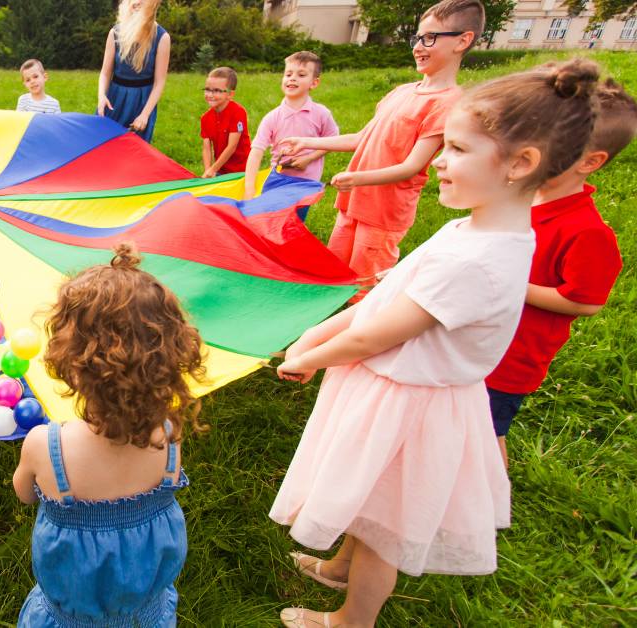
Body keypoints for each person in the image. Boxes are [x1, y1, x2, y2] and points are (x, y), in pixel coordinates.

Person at [270, 59, 601, 628]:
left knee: (383, 531)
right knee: (365, 500)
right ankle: (341, 565)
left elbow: (380, 330)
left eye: (457, 150)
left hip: (409, 408)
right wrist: (322, 331)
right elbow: (387, 293)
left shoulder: (478, 259)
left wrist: (311, 356)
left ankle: (352, 618)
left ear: (521, 163)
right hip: (395, 392)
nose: (439, 162)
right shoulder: (475, 228)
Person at [12, 242, 206, 626]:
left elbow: (22, 494)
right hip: (143, 614)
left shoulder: (47, 446)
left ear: (71, 364)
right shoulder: (168, 437)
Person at [277, 0, 483, 298]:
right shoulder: (401, 92)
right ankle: (326, 330)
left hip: (383, 214)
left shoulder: (447, 102)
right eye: (417, 38)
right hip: (354, 203)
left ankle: (357, 337)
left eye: (430, 38)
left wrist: (357, 178)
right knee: (333, 275)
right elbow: (363, 137)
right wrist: (308, 141)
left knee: (364, 286)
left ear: (463, 40)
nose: (419, 47)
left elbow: (412, 166)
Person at [485, 77, 635, 465]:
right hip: (479, 340)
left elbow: (583, 302)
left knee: (486, 433)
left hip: (510, 360)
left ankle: (490, 503)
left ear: (590, 161)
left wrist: (515, 286)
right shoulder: (518, 199)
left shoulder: (587, 232)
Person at [242, 51, 340, 219]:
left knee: (295, 225)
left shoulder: (321, 113)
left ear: (314, 83)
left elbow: (334, 141)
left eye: (301, 75)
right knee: (271, 222)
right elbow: (256, 152)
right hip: (277, 181)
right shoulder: (272, 117)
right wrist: (249, 190)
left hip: (306, 184)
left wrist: (308, 159)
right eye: (288, 74)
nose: (292, 78)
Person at [97, 0, 170, 142]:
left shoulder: (162, 37)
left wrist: (145, 114)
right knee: (103, 145)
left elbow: (159, 82)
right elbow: (105, 73)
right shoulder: (115, 33)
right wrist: (101, 96)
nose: (136, 2)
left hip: (142, 102)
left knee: (134, 151)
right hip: (114, 99)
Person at [199, 66, 250, 178]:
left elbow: (232, 146)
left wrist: (213, 169)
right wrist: (208, 169)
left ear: (230, 95)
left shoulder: (238, 112)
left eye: (217, 90)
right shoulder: (205, 118)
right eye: (207, 89)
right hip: (221, 170)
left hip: (242, 170)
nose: (210, 95)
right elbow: (206, 147)